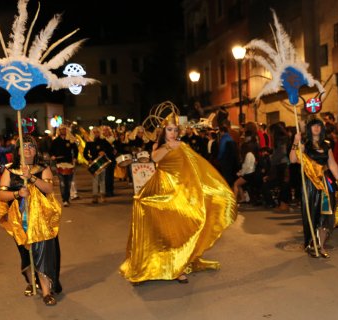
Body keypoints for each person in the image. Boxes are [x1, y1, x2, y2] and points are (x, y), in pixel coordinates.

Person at [119, 114, 237, 284]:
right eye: (169, 130)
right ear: (163, 131)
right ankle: (145, 265)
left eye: (175, 130)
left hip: (179, 190)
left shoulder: (183, 146)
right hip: (159, 188)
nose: (173, 133)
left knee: (183, 226)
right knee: (148, 213)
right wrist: (168, 146)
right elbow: (155, 158)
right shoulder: (159, 146)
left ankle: (178, 267)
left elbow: (196, 168)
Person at [0, 135, 62, 305]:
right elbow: (2, 195)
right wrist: (18, 193)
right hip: (20, 221)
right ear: (17, 150)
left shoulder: (43, 168)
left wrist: (31, 177)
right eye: (23, 146)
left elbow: (49, 188)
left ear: (36, 150)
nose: (27, 149)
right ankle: (31, 282)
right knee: (26, 254)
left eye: (31, 146)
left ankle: (47, 292)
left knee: (43, 254)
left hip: (41, 221)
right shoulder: (10, 170)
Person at [289, 118, 338, 258]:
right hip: (310, 184)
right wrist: (295, 142)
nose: (317, 128)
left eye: (319, 126)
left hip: (326, 183)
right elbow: (293, 159)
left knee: (326, 214)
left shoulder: (327, 145)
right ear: (309, 128)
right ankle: (311, 244)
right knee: (312, 214)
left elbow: (333, 164)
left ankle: (321, 246)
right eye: (314, 126)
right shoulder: (304, 144)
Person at [83, 127, 114, 204]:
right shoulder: (89, 142)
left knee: (102, 180)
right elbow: (85, 153)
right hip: (94, 162)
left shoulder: (103, 141)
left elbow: (110, 149)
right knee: (95, 180)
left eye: (97, 132)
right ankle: (95, 196)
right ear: (92, 133)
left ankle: (103, 195)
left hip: (102, 161)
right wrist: (89, 159)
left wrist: (104, 152)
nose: (96, 133)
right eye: (94, 132)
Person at [50, 125, 78, 207]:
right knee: (62, 183)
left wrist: (75, 158)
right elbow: (51, 150)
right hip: (59, 164)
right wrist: (53, 155)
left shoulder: (70, 140)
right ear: (59, 131)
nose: (63, 131)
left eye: (64, 129)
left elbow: (75, 150)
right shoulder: (55, 141)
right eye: (61, 129)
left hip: (69, 163)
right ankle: (64, 200)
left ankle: (67, 198)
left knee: (68, 183)